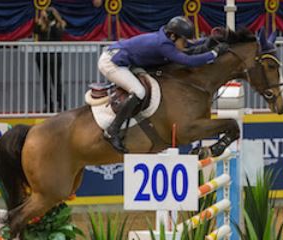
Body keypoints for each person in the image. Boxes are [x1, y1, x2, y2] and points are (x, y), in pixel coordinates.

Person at [98, 16, 229, 153]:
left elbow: (191, 45)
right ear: (173, 36)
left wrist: (211, 41)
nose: (185, 43)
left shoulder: (169, 39)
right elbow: (188, 60)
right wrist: (214, 53)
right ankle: (113, 130)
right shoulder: (163, 45)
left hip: (126, 61)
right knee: (139, 92)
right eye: (183, 40)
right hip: (111, 63)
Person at [34, 7, 67, 112]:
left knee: (56, 81)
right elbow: (35, 30)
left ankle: (61, 103)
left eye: (47, 14)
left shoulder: (58, 25)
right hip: (42, 56)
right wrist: (40, 20)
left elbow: (57, 35)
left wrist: (51, 23)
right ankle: (48, 104)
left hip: (54, 57)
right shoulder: (42, 25)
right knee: (45, 81)